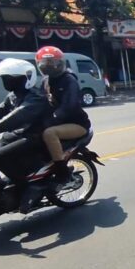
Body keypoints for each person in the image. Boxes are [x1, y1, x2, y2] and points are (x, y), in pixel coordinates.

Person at [0, 59, 52, 185]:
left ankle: (27, 187)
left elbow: (17, 116)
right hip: (15, 136)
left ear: (24, 78)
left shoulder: (36, 97)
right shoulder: (13, 95)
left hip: (33, 136)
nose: (6, 82)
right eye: (4, 79)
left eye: (9, 79)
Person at [35, 46, 91, 185]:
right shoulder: (45, 81)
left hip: (77, 124)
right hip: (58, 122)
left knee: (49, 133)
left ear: (61, 63)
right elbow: (40, 101)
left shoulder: (69, 80)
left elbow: (70, 106)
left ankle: (62, 172)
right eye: (46, 64)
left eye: (54, 63)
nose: (51, 67)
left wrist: (52, 119)